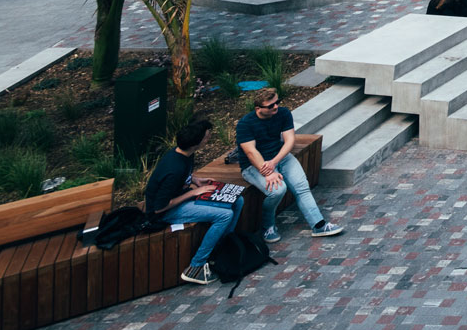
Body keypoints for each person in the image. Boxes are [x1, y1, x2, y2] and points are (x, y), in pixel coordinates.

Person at [236, 89, 343, 242]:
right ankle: (267, 226)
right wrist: (267, 172)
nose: (275, 107)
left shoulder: (283, 113)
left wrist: (274, 162)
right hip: (253, 165)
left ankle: (318, 225)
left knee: (301, 186)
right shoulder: (245, 124)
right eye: (270, 106)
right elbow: (250, 152)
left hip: (280, 157)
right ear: (258, 108)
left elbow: (290, 141)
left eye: (277, 103)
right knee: (278, 190)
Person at [144, 119, 240, 286]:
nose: (208, 139)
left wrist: (197, 180)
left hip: (181, 196)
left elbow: (186, 174)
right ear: (196, 143)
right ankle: (196, 266)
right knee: (225, 215)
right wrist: (194, 192)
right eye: (206, 137)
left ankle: (220, 249)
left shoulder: (184, 153)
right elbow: (159, 208)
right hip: (165, 213)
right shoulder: (174, 169)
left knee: (237, 200)